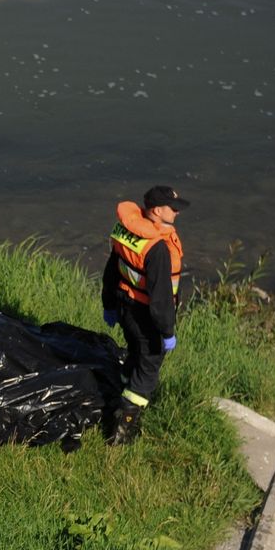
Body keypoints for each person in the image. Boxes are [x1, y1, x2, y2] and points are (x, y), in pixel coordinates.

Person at [101, 185, 189, 445]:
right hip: (146, 317)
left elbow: (112, 269)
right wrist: (167, 332)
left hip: (124, 306)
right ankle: (122, 430)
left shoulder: (126, 231)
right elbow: (160, 299)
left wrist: (109, 304)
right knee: (149, 367)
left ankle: (120, 389)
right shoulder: (158, 249)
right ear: (157, 210)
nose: (177, 213)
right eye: (173, 209)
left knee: (135, 354)